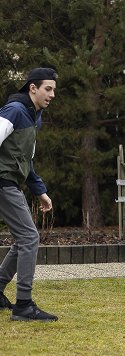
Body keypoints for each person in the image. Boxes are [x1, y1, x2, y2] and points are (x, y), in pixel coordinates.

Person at [0, 67, 58, 321]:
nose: (52, 94)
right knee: (29, 237)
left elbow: (26, 159)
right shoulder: (14, 111)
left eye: (54, 90)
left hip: (10, 182)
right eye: (48, 88)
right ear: (32, 88)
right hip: (2, 182)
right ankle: (23, 304)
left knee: (24, 238)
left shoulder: (34, 116)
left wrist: (40, 191)